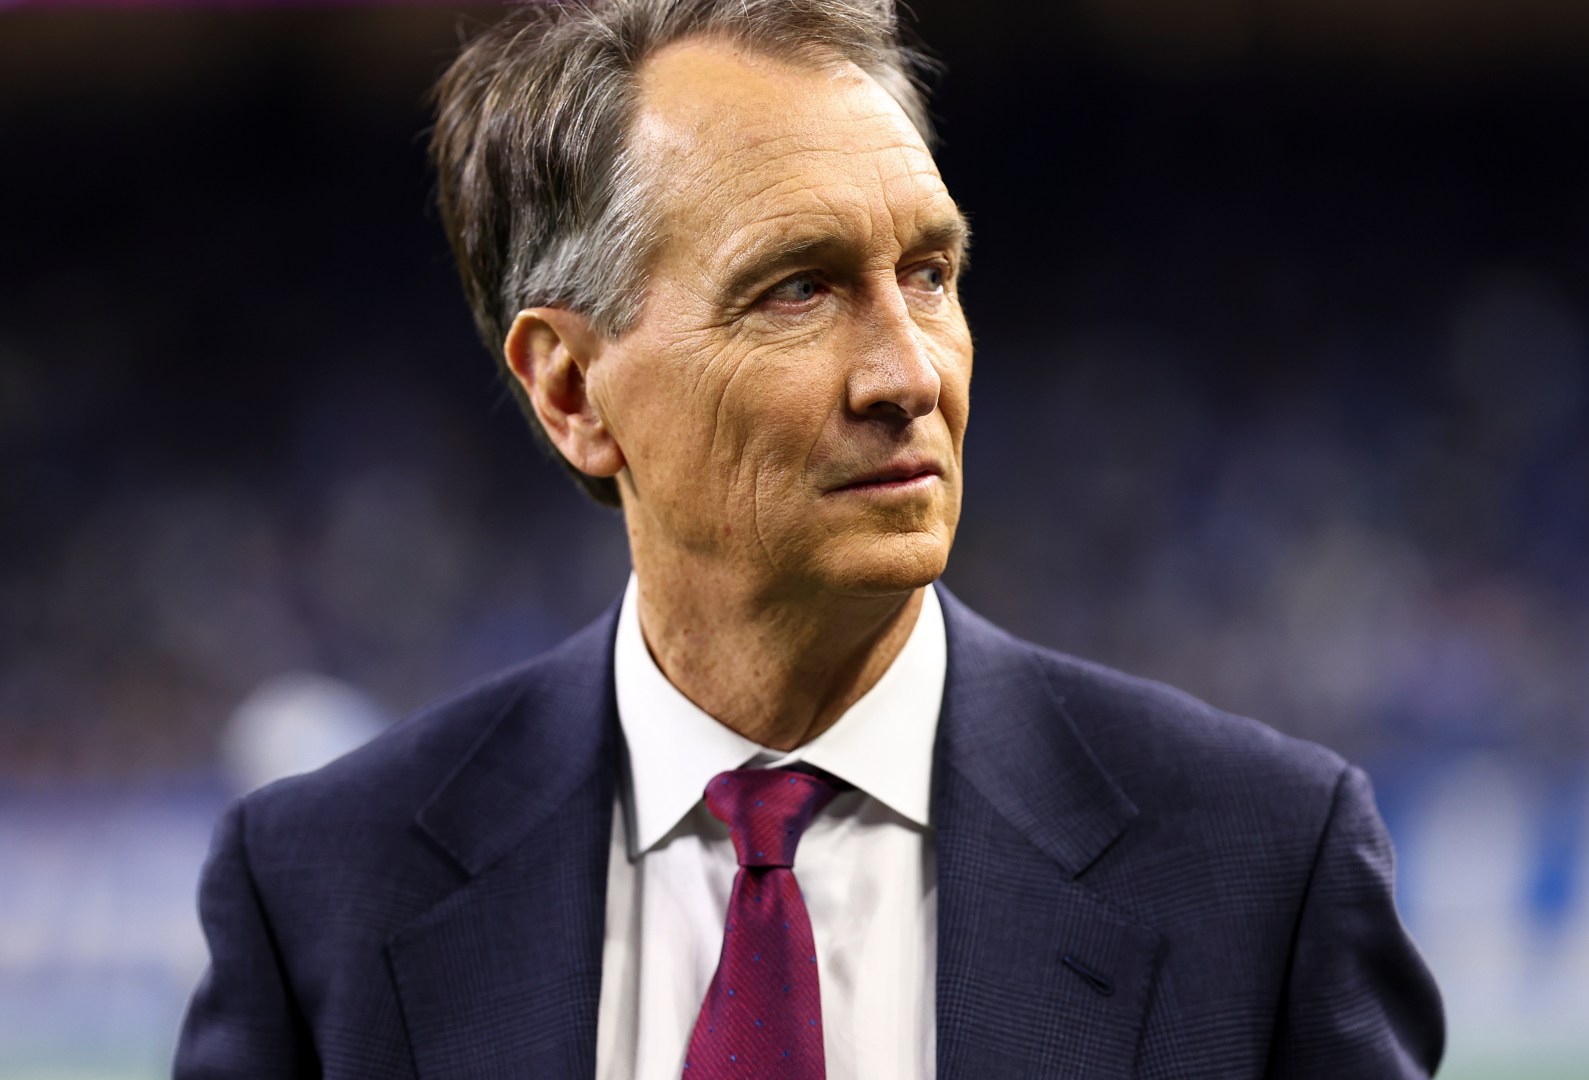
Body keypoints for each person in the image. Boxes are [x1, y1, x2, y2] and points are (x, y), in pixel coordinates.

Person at [173, 0, 1446, 1076]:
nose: (910, 374)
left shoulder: (1263, 868)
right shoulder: (320, 896)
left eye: (930, 275)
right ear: (572, 390)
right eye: (799, 288)